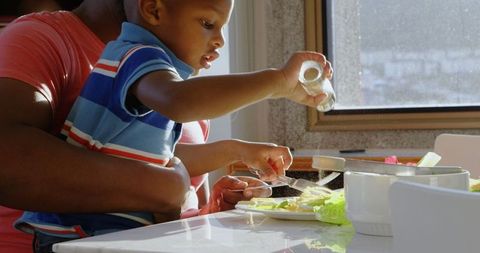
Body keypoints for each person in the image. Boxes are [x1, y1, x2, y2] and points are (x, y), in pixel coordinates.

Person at [0, 0, 331, 252]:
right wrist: (277, 81)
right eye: (207, 24)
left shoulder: (161, 74)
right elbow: (179, 102)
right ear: (153, 9)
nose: (219, 42)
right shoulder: (138, 57)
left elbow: (154, 163)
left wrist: (210, 204)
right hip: (79, 238)